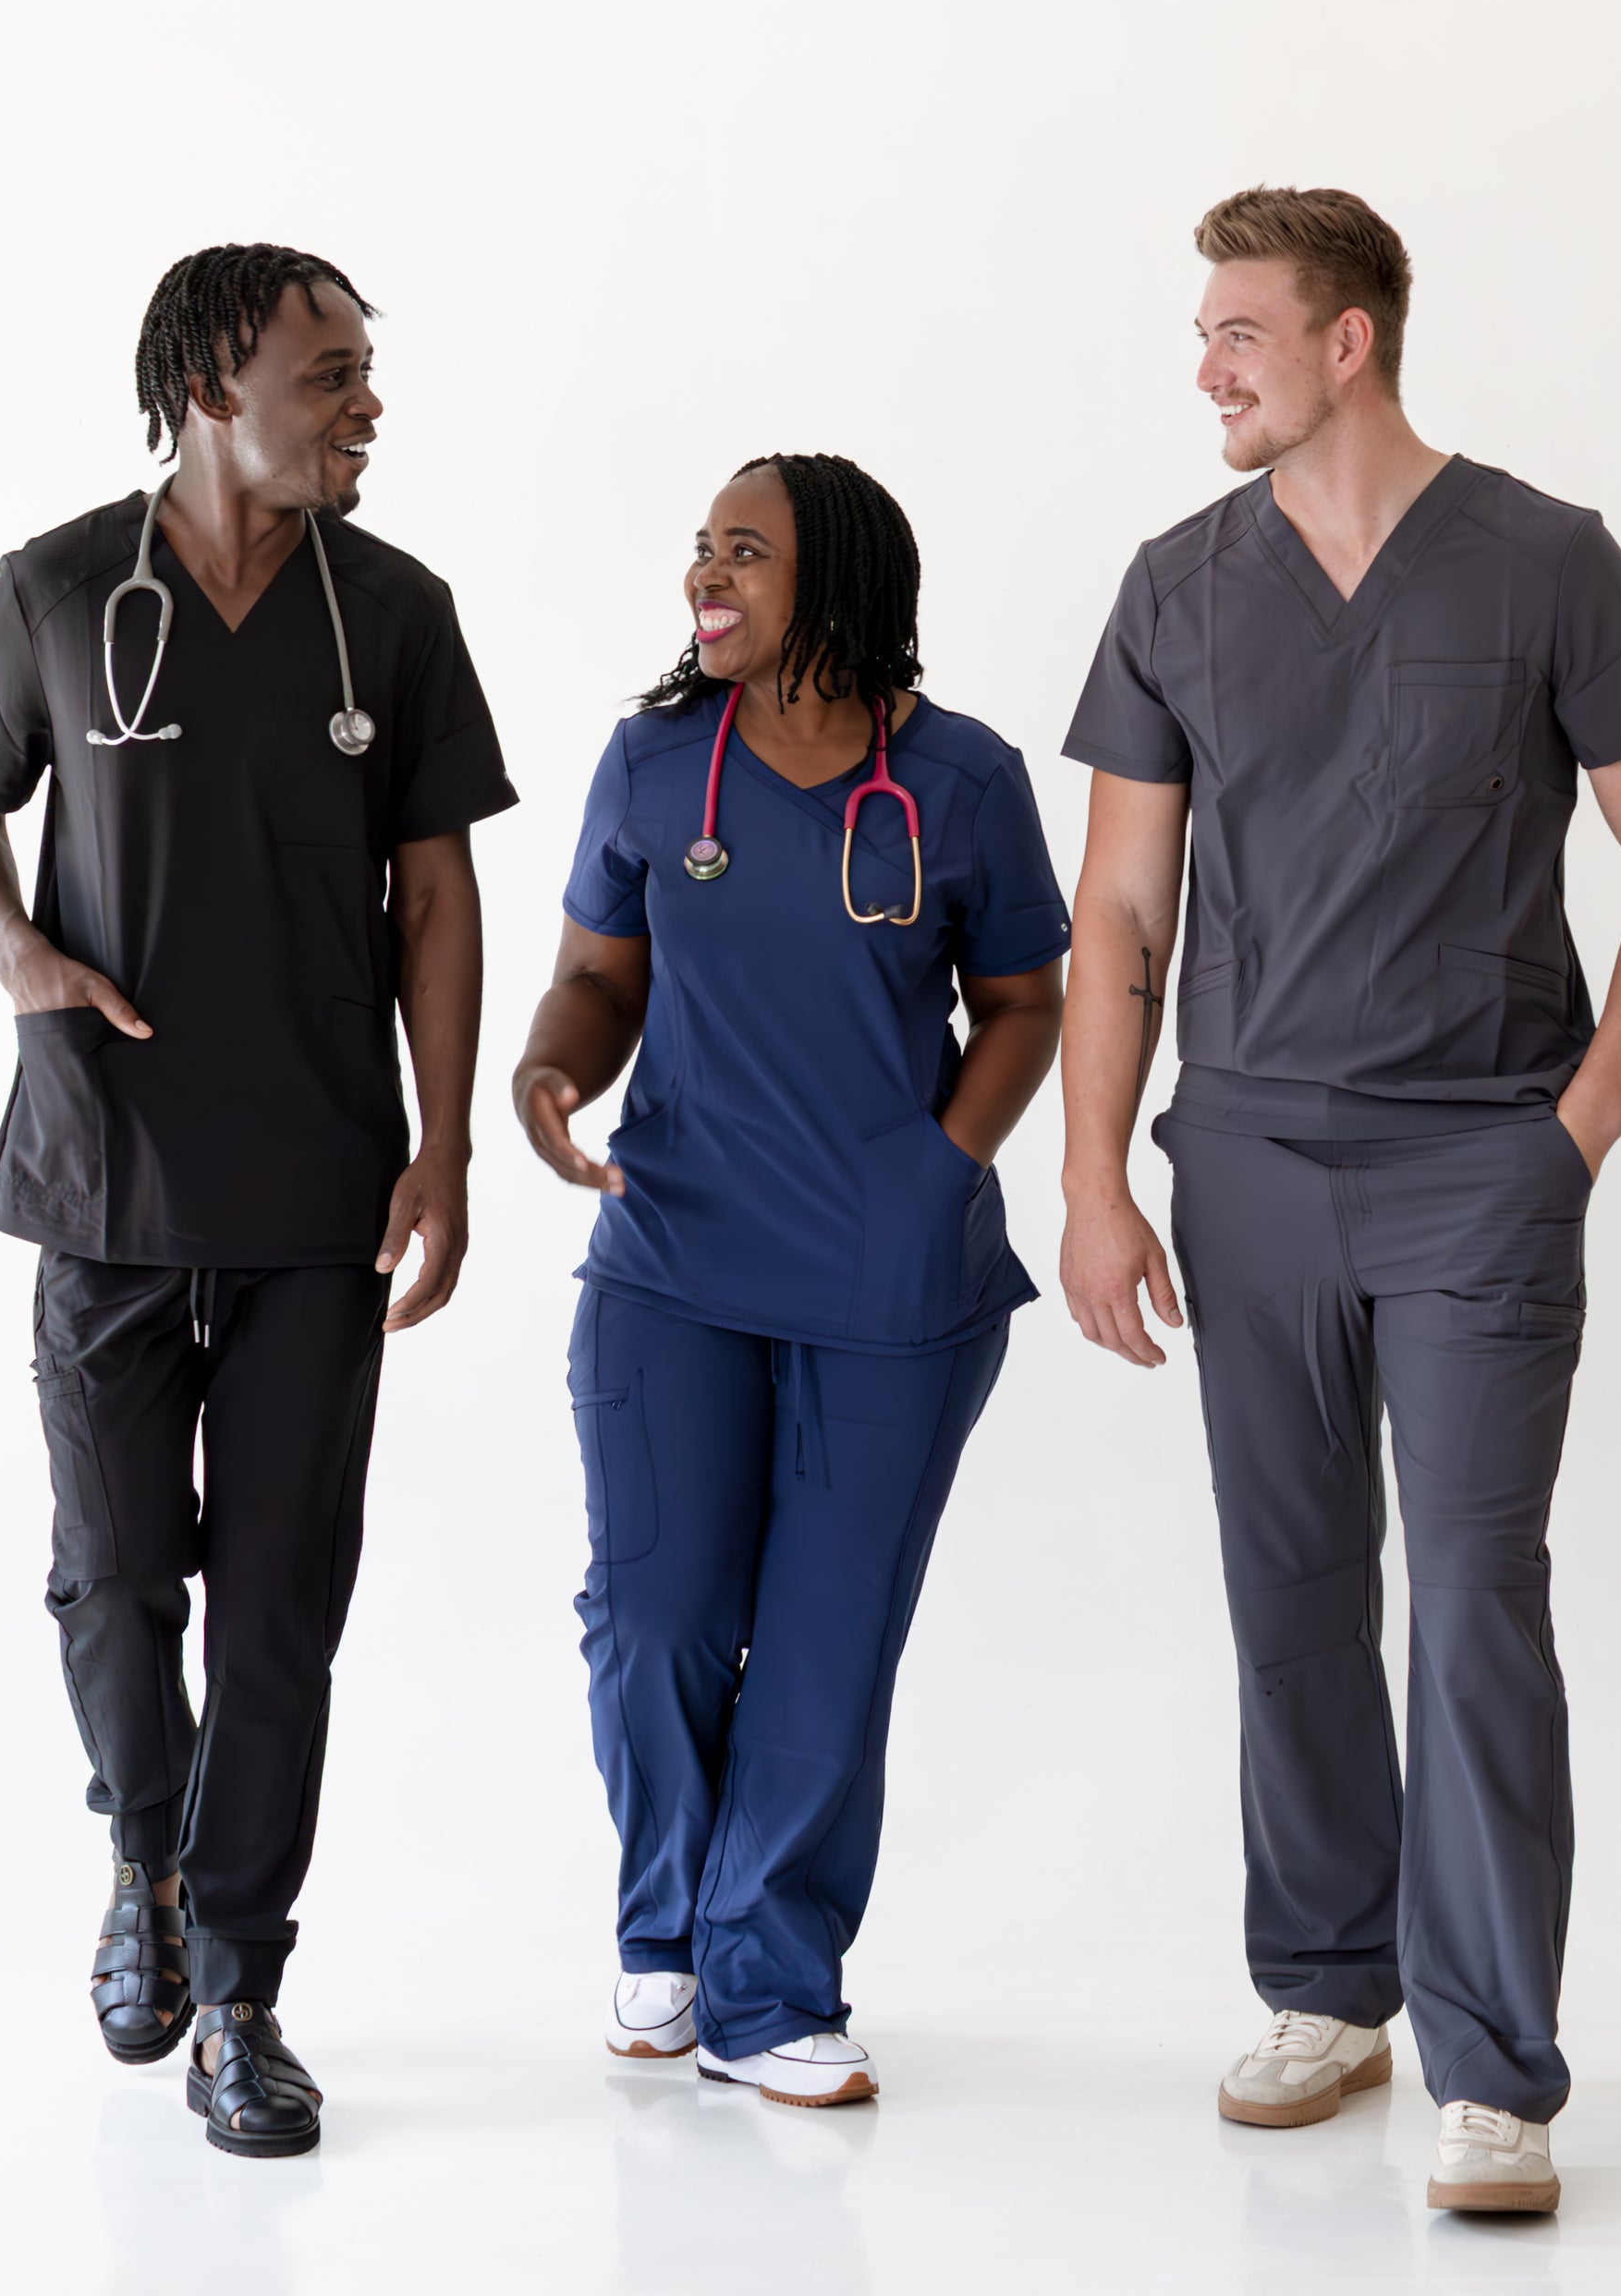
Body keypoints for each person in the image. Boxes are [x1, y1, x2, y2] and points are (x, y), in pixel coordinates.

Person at [1058, 188, 1621, 2215]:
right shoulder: (1178, 586)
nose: (1208, 366)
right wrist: (1093, 1172)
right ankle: (1327, 1983)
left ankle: (1496, 2061)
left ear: (1350, 340)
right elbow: (1119, 903)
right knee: (1289, 1596)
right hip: (1248, 1159)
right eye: (1203, 332)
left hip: (1477, 1166)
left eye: (1240, 331)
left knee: (1473, 1597)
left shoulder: (1546, 564)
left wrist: (1580, 1123)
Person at [0, 246, 515, 2157]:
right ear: (208, 387)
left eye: (362, 370)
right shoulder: (64, 589)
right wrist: (18, 953)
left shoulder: (393, 615)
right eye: (327, 370)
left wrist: (443, 1143)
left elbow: (435, 888)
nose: (363, 400)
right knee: (115, 1576)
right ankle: (145, 1864)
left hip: (316, 1191)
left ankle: (242, 1987)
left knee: (278, 1611)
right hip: (102, 1175)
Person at [517, 453, 1068, 2108]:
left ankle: (773, 1983)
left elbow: (1026, 1004)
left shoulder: (960, 780)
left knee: (828, 1641)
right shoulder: (654, 762)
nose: (708, 573)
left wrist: (934, 1172)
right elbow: (595, 976)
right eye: (703, 548)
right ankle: (669, 1940)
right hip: (673, 1263)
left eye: (743, 551)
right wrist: (551, 1076)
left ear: (832, 581)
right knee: (660, 1617)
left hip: (891, 1285)